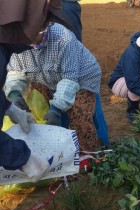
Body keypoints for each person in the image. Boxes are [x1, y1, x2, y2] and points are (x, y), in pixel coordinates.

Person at [6, 11, 102, 152]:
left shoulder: (63, 39)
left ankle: (85, 157)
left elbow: (69, 79)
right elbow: (15, 71)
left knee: (79, 118)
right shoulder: (17, 40)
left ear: (44, 29)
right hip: (45, 77)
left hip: (81, 79)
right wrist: (14, 93)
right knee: (37, 110)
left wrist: (56, 109)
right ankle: (50, 149)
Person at [0, 0, 68, 182]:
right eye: (41, 22)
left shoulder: (63, 39)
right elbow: (15, 72)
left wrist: (8, 108)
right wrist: (23, 159)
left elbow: (71, 77)